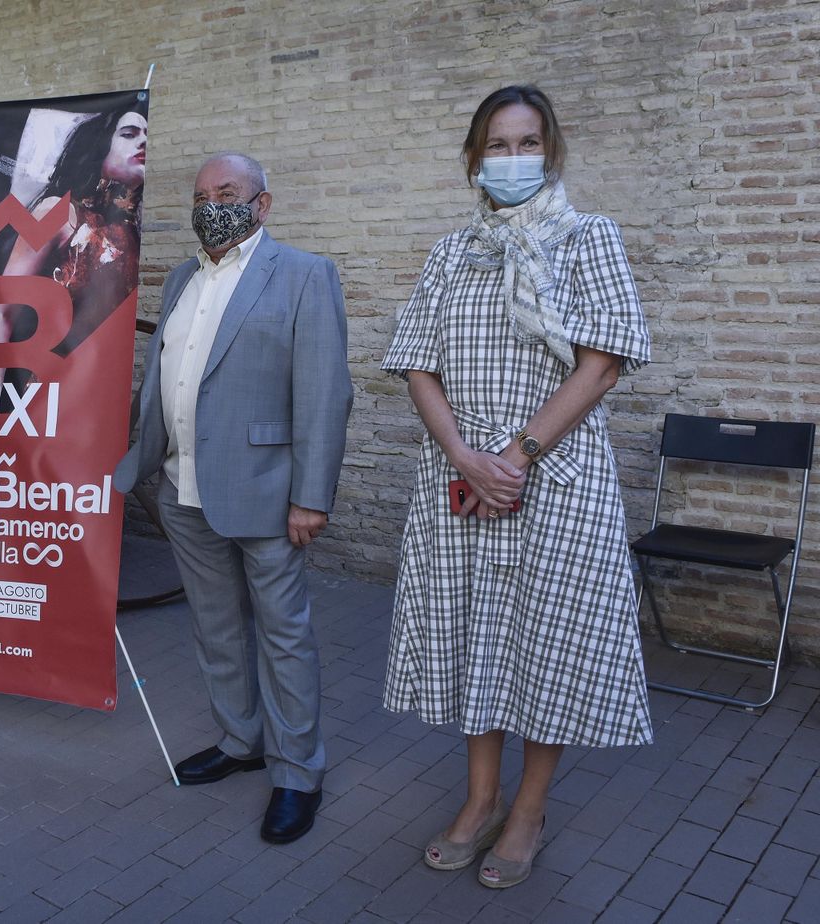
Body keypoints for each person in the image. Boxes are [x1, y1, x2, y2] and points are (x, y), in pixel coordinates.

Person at [381, 85, 653, 889]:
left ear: (551, 149)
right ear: (474, 158)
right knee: (476, 636)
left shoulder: (588, 237)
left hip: (557, 476)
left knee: (550, 642)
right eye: (496, 146)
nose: (511, 158)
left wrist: (519, 453)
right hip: (461, 477)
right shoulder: (449, 252)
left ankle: (528, 809)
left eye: (526, 142)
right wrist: (467, 456)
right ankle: (479, 799)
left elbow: (602, 360)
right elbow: (416, 362)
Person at [114, 152, 352, 845]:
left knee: (283, 634)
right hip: (182, 489)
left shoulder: (306, 275)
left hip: (270, 495)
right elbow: (169, 375)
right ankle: (242, 739)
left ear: (262, 205)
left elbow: (324, 393)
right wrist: (136, 457)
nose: (210, 204)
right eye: (199, 194)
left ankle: (297, 772)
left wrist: (312, 497)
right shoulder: (184, 276)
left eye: (227, 192)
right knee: (215, 628)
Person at [0, 103, 147, 404]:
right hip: (50, 401)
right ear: (101, 147)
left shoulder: (133, 231)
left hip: (102, 397)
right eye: (128, 133)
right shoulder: (58, 211)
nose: (143, 142)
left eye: (147, 134)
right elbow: (1, 313)